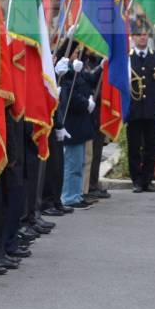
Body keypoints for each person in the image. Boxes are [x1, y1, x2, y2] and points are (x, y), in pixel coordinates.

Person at [127, 27, 155, 193]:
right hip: (134, 110)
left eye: (145, 34)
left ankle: (148, 180)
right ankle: (136, 180)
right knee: (134, 148)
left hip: (152, 110)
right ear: (133, 37)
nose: (142, 38)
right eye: (139, 35)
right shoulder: (128, 58)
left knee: (151, 147)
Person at [56, 46, 97, 209]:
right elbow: (70, 97)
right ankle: (69, 196)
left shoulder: (76, 70)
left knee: (79, 163)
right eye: (73, 53)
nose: (76, 55)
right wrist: (85, 103)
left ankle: (77, 194)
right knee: (72, 164)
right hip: (72, 123)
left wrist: (101, 67)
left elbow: (90, 81)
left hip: (81, 124)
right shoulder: (65, 72)